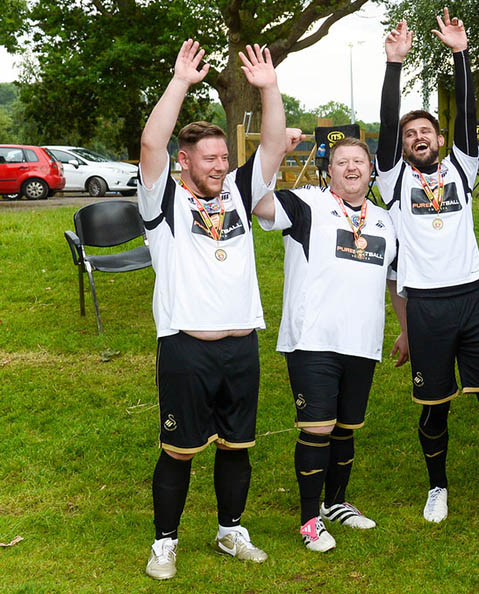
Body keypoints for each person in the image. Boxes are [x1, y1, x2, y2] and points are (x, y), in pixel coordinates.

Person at [375, 16, 479, 524]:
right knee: (435, 405)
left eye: (426, 130)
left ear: (441, 139)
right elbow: (384, 124)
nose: (417, 136)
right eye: (410, 133)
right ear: (402, 147)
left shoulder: (462, 169)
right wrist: (394, 64)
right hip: (425, 304)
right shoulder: (392, 177)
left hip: (471, 298)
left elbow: (468, 114)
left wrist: (462, 55)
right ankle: (437, 488)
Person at [138, 41, 288, 579]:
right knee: (179, 451)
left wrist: (269, 88)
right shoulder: (164, 203)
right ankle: (165, 543)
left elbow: (272, 146)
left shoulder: (239, 195)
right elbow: (151, 143)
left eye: (225, 158)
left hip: (241, 345)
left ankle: (230, 530)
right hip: (186, 348)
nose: (222, 166)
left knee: (237, 446)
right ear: (186, 162)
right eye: (211, 159)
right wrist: (180, 81)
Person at [252, 132, 400, 552]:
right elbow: (256, 201)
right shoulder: (306, 204)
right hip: (313, 340)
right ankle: (308, 519)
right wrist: (276, 149)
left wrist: (405, 331)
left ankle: (335, 503)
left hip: (362, 340)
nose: (352, 168)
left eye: (359, 161)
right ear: (328, 171)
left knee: (346, 428)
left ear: (370, 170)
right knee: (318, 428)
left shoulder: (385, 219)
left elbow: (395, 282)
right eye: (342, 162)